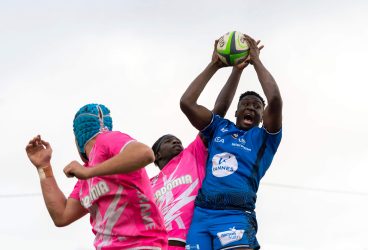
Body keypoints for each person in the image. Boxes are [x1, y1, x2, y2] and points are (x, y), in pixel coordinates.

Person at [180, 35, 282, 250]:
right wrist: (215, 65)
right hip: (202, 215)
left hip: (235, 215)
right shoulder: (220, 128)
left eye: (256, 107)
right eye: (246, 104)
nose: (251, 108)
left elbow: (274, 100)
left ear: (263, 117)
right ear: (236, 111)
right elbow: (187, 103)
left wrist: (256, 61)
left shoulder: (265, 138)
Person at [150, 40, 250, 249]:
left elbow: (218, 111)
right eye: (168, 141)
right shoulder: (149, 184)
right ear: (156, 155)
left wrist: (235, 72)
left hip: (194, 238)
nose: (176, 141)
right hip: (160, 243)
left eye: (176, 139)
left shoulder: (192, 153)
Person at [25, 103, 167, 249]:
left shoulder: (107, 140)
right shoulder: (85, 176)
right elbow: (62, 216)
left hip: (142, 245)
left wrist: (88, 172)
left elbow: (145, 154)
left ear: (77, 139)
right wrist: (44, 167)